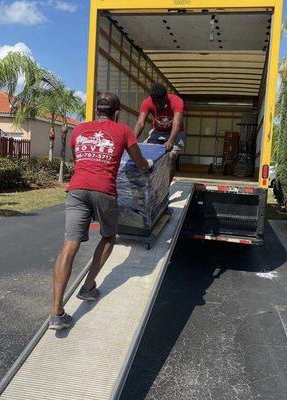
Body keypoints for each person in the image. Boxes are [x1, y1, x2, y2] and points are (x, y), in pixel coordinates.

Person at [49, 92, 152, 331]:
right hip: (104, 191)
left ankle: (56, 313)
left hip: (77, 189)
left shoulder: (78, 130)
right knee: (108, 236)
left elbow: (77, 159)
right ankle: (88, 287)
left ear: (97, 110)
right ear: (116, 113)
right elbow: (139, 163)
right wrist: (148, 166)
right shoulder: (124, 131)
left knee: (68, 246)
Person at [133, 84, 185, 182]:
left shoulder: (176, 101)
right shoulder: (147, 102)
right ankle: (148, 182)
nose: (158, 105)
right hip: (157, 132)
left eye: (160, 103)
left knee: (170, 157)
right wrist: (132, 139)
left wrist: (171, 141)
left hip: (175, 132)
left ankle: (166, 186)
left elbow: (176, 124)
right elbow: (140, 123)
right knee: (147, 154)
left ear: (165, 97)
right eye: (155, 103)